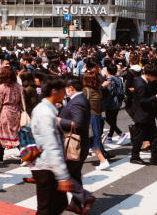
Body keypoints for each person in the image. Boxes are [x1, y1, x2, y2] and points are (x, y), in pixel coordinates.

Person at [30, 76, 77, 215]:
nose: (65, 93)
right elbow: (51, 146)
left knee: (57, 204)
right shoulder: (45, 112)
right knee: (47, 208)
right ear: (55, 91)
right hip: (45, 166)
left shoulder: (45, 109)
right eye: (63, 91)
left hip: (46, 165)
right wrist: (62, 176)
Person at [58, 75, 95, 215]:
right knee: (75, 173)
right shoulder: (80, 99)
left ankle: (85, 197)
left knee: (65, 173)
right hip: (80, 142)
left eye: (66, 89)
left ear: (71, 88)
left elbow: (77, 124)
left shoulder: (78, 101)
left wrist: (60, 120)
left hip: (75, 143)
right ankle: (75, 204)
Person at [128, 63, 157, 166]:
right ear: (148, 74)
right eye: (155, 76)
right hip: (142, 114)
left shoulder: (139, 80)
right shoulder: (141, 84)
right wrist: (156, 97)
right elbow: (142, 101)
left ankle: (154, 157)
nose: (156, 79)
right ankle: (135, 156)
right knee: (139, 137)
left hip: (147, 113)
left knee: (154, 135)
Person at [0, 63, 24, 160]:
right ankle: (24, 155)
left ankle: (0, 156)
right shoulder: (19, 86)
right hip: (16, 111)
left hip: (5, 111)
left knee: (1, 133)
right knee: (15, 134)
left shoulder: (2, 87)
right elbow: (21, 100)